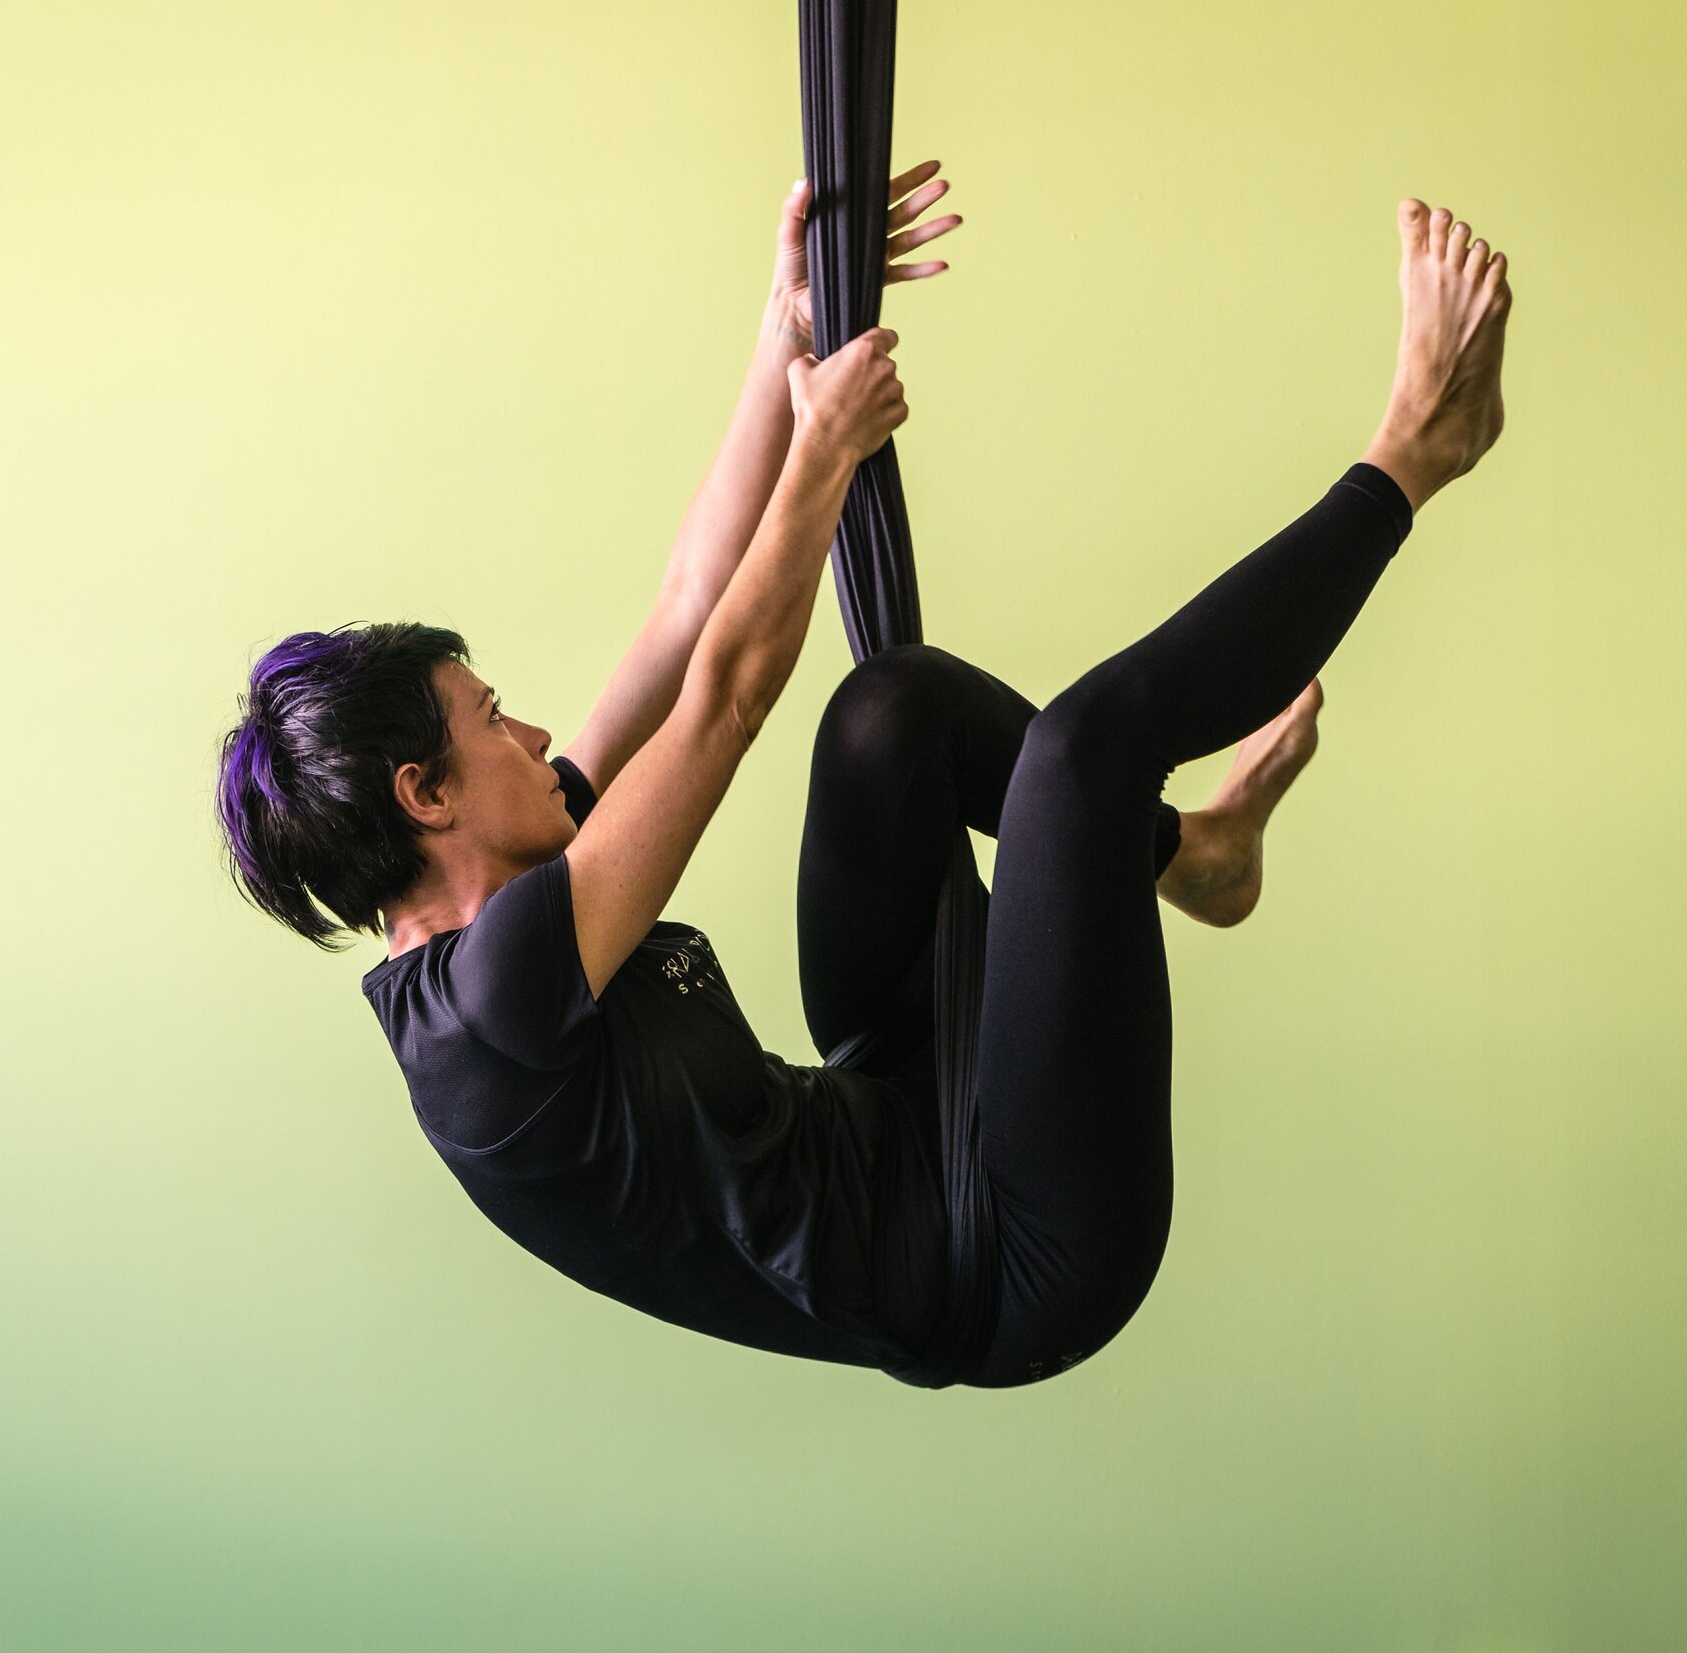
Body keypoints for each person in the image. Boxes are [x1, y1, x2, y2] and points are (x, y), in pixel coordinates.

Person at [214, 164, 1512, 1387]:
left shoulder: (516, 891)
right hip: (1011, 1251)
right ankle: (1422, 444)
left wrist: (784, 341)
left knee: (890, 712)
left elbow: (683, 615)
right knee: (1077, 758)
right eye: (492, 721)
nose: (538, 737)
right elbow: (721, 702)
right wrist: (821, 453)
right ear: (423, 796)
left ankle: (1201, 859)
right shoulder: (489, 1013)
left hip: (901, 1096)